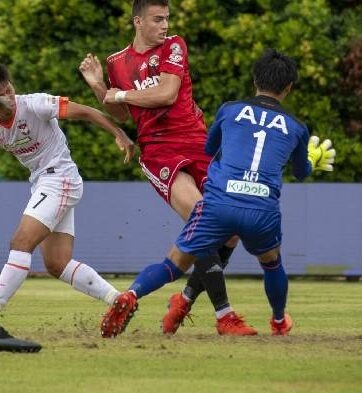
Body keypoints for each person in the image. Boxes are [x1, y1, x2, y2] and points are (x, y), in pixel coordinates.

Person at [99, 48, 336, 337]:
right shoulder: (297, 128)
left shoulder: (230, 110)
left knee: (173, 264)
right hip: (261, 209)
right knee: (272, 265)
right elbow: (301, 172)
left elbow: (210, 150)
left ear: (254, 81)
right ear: (288, 88)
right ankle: (277, 322)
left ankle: (133, 295)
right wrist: (312, 159)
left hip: (219, 203)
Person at [79, 0, 247, 336]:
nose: (165, 25)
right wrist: (98, 85)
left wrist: (118, 95)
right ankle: (224, 316)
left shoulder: (174, 45)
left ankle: (181, 300)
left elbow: (167, 93)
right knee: (203, 216)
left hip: (197, 142)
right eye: (158, 19)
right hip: (158, 150)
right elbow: (124, 113)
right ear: (137, 21)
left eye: (167, 18)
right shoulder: (116, 62)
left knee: (231, 230)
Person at [0, 63, 135, 346]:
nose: (8, 96)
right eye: (2, 94)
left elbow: (86, 111)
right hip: (44, 182)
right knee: (57, 263)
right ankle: (118, 299)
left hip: (60, 178)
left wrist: (119, 134)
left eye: (9, 88)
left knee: (21, 242)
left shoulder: (35, 105)